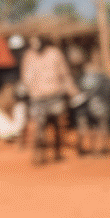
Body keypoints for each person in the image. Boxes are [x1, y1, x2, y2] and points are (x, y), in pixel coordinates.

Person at [19, 35, 79, 164]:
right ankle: (38, 154)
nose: (35, 45)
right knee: (39, 126)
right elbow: (25, 77)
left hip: (55, 95)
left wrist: (73, 92)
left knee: (57, 125)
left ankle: (57, 153)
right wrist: (24, 90)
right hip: (37, 98)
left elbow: (65, 74)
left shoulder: (54, 53)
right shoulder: (29, 56)